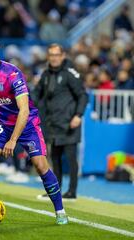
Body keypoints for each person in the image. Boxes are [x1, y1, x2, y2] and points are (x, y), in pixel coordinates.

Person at [0, 35, 68, 225]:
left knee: (41, 167)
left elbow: (24, 110)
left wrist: (13, 140)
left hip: (28, 126)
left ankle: (61, 211)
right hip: (4, 125)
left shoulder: (12, 74)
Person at [34, 44, 88, 200]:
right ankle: (55, 189)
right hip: (53, 123)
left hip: (69, 122)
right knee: (55, 158)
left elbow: (82, 95)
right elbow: (37, 94)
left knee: (71, 158)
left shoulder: (70, 73)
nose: (54, 58)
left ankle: (72, 191)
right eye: (51, 55)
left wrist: (78, 115)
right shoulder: (46, 74)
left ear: (63, 56)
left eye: (56, 55)